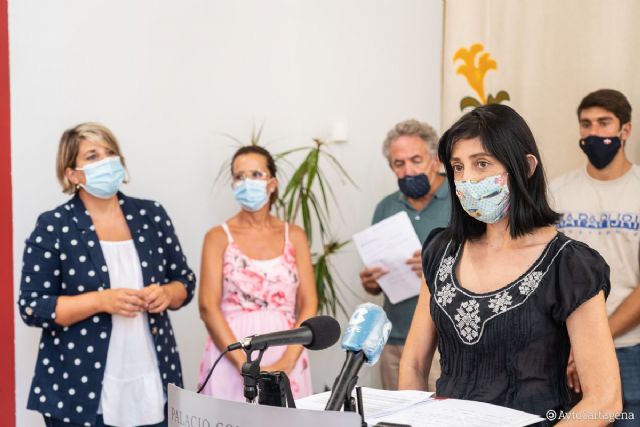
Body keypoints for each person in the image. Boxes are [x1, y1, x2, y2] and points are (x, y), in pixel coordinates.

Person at [399, 104, 622, 424]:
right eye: (458, 167)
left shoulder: (570, 265)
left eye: (482, 164)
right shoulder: (441, 250)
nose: (467, 179)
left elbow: (605, 400)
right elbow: (414, 364)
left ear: (526, 167)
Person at [17, 123, 196, 427]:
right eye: (93, 156)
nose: (107, 161)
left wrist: (167, 293)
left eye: (110, 152)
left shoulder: (152, 215)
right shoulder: (54, 225)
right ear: (72, 174)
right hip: (79, 388)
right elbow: (32, 307)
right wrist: (101, 301)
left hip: (152, 379)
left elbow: (185, 282)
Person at [198, 145, 317, 401]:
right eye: (239, 176)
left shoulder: (295, 236)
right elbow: (207, 307)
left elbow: (309, 303)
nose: (247, 182)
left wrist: (290, 358)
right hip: (233, 354)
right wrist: (243, 364)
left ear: (272, 183)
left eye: (255, 174)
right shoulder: (217, 237)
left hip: (288, 351)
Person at [550, 89, 640, 425]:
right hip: (563, 350)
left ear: (625, 130)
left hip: (629, 348)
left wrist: (594, 340)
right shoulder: (557, 193)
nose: (593, 132)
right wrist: (575, 345)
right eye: (586, 124)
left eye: (604, 123)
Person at [359, 119, 450, 390]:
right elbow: (377, 284)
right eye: (399, 164)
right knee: (396, 412)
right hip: (395, 339)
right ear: (391, 167)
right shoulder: (386, 207)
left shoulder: (461, 200)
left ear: (435, 160)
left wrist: (435, 268)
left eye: (416, 160)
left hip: (446, 340)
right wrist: (372, 283)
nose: (408, 171)